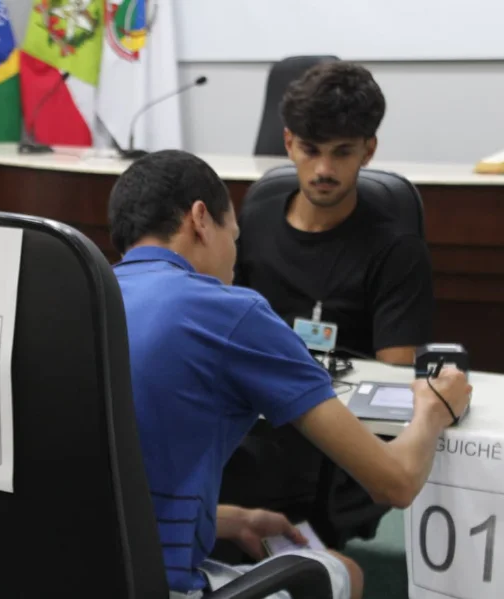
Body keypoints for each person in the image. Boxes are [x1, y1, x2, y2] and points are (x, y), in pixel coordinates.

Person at [108, 149, 471, 599]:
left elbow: (116, 483)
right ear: (200, 219)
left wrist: (233, 519)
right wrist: (433, 409)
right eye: (234, 237)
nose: (234, 262)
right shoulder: (230, 312)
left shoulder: (81, 299)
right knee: (343, 572)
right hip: (158, 585)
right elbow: (395, 482)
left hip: (64, 574)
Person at [234, 61, 433, 366]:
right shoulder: (253, 223)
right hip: (258, 385)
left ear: (368, 151)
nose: (324, 170)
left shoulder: (398, 250)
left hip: (347, 392)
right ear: (289, 144)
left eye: (342, 152)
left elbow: (396, 375)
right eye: (311, 150)